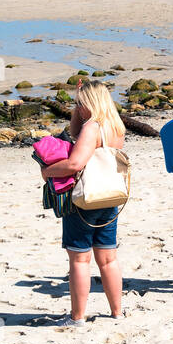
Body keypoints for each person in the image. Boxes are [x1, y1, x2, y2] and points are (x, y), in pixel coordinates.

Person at [38, 80, 127, 325]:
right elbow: (75, 133)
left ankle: (77, 317)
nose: (78, 107)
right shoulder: (115, 125)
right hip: (109, 196)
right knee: (108, 259)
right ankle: (117, 312)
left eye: (80, 103)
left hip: (86, 199)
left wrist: (48, 171)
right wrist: (78, 106)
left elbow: (75, 163)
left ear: (89, 103)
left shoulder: (93, 127)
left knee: (79, 259)